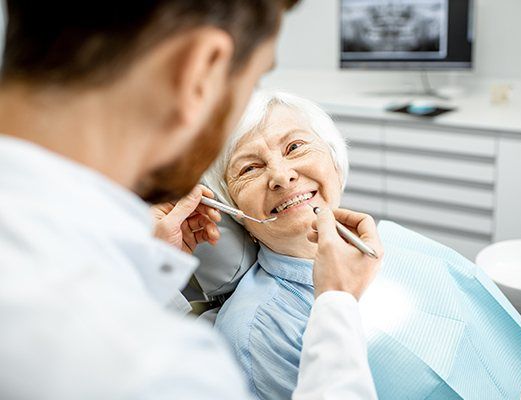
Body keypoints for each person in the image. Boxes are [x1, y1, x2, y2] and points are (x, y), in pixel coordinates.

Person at [0, 2, 383, 399]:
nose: (281, 175)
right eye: (254, 81)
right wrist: (336, 305)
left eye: (296, 146)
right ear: (202, 68)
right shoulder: (162, 368)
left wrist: (144, 270)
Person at [203, 90, 521, 400]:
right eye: (249, 168)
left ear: (334, 159)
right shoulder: (257, 330)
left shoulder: (405, 247)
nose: (282, 175)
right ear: (234, 210)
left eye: (296, 146)